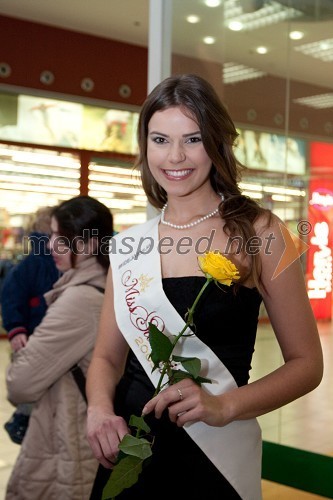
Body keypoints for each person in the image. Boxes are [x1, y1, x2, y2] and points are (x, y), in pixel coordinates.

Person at [86, 74, 323, 500]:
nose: (174, 156)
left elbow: (307, 363)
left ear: (216, 143)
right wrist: (100, 410)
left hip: (218, 457)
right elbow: (106, 356)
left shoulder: (261, 232)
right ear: (145, 147)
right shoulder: (129, 245)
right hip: (134, 453)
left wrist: (225, 405)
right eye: (160, 139)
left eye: (192, 139)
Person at [5, 195, 114, 500]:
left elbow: (20, 385)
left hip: (66, 443)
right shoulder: (107, 286)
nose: (51, 245)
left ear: (89, 245)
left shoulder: (80, 300)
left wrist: (21, 354)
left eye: (61, 238)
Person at [2, 206, 59, 444]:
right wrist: (16, 329)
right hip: (35, 335)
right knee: (35, 382)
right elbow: (11, 297)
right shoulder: (31, 264)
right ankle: (23, 419)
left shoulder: (61, 259)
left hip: (49, 334)